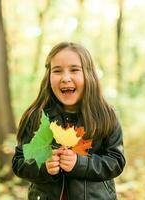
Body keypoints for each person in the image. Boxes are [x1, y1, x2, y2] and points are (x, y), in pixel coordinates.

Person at [12, 42, 126, 200]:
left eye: (74, 70)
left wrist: (80, 164)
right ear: (49, 77)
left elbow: (116, 161)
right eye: (57, 71)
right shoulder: (36, 116)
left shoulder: (106, 116)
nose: (66, 78)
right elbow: (19, 162)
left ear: (89, 75)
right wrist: (44, 167)